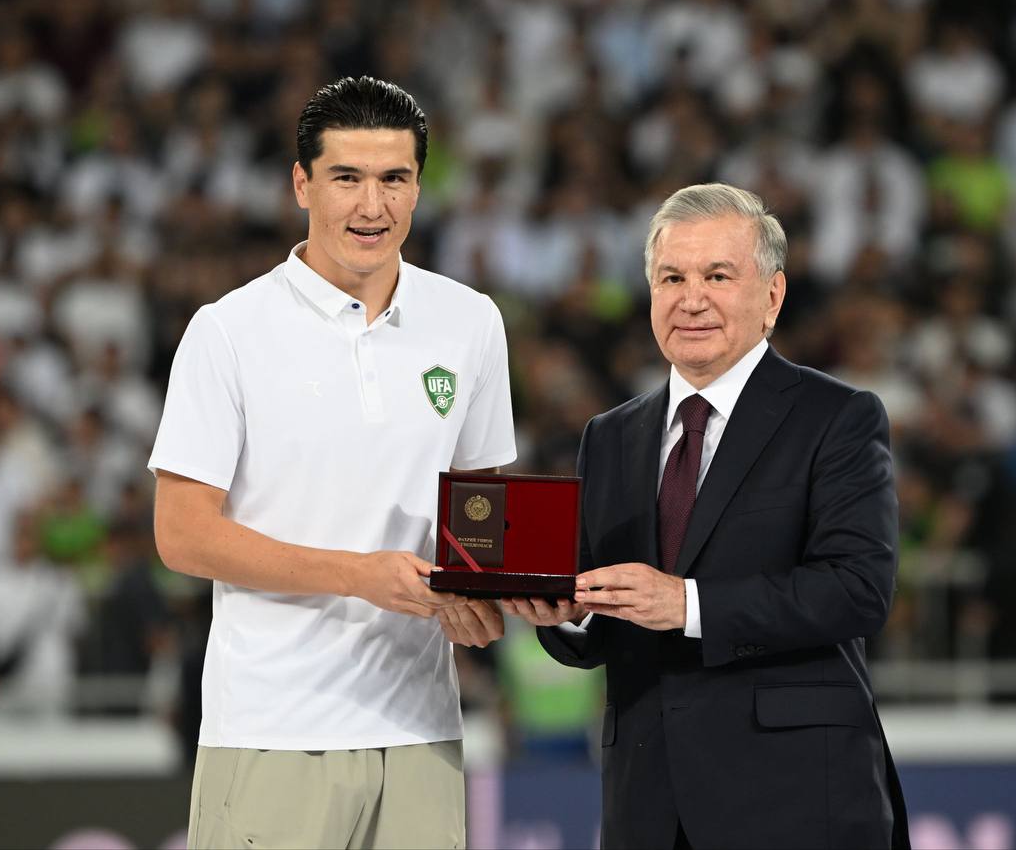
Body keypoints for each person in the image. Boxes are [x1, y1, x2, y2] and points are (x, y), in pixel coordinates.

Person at [150, 76, 514, 850]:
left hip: (421, 727)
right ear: (302, 185)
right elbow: (181, 535)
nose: (372, 206)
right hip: (273, 727)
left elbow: (480, 505)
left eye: (394, 179)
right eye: (347, 177)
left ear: (419, 187)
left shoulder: (471, 322)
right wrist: (356, 574)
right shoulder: (228, 331)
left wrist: (483, 594)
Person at [504, 183, 910, 849]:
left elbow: (857, 589)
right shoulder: (609, 435)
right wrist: (564, 612)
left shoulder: (837, 416)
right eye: (672, 278)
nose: (691, 299)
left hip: (795, 799)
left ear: (772, 296)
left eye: (717, 276)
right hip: (648, 806)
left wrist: (687, 603)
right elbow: (600, 615)